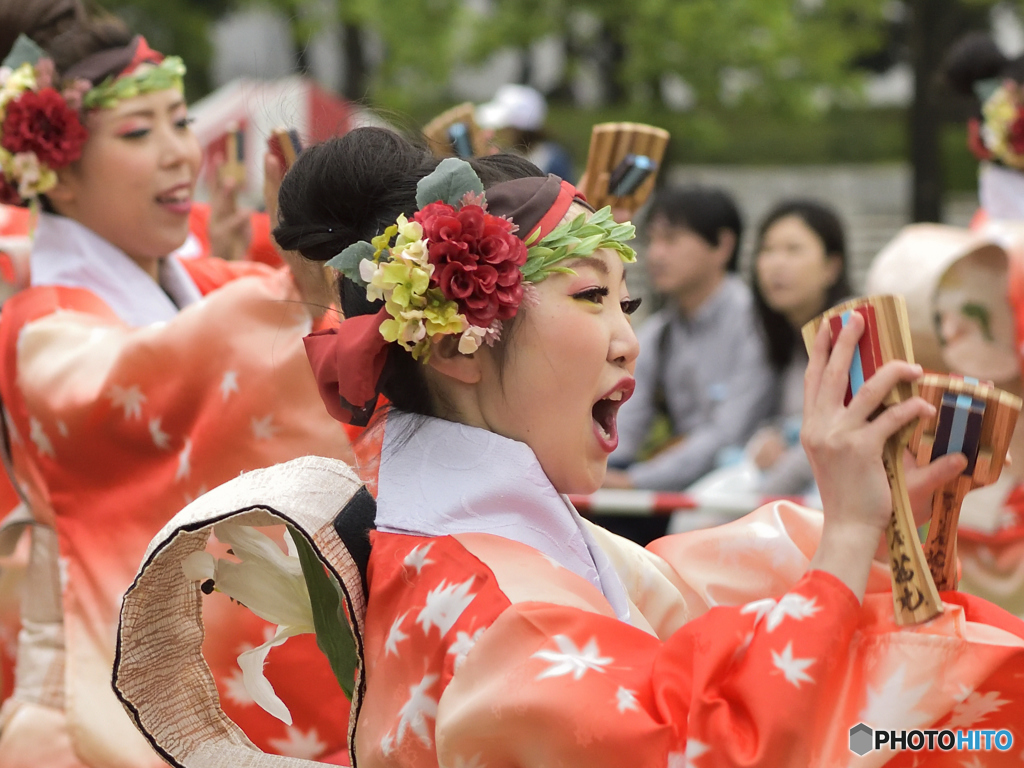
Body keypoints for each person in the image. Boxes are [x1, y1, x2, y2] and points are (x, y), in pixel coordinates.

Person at [115, 127, 1024, 768]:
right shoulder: (502, 608)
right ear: (452, 343)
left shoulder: (477, 547)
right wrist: (848, 544)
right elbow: (708, 746)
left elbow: (684, 584)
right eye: (592, 299)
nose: (628, 339)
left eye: (627, 304)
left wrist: (869, 524)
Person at [0, 5, 355, 766]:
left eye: (177, 122)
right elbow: (172, 367)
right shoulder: (43, 327)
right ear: (53, 171)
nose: (178, 155)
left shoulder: (206, 283)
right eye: (138, 133)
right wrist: (300, 289)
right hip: (90, 711)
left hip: (212, 696)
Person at [603, 186, 775, 540]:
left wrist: (633, 482)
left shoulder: (755, 323)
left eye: (672, 239)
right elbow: (627, 422)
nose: (656, 255)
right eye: (652, 241)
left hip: (734, 494)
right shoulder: (661, 332)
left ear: (722, 246)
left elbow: (727, 435)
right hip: (674, 484)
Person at [476, 83, 574, 181]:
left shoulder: (552, 161)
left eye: (503, 127)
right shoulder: (499, 154)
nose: (493, 132)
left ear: (518, 130)